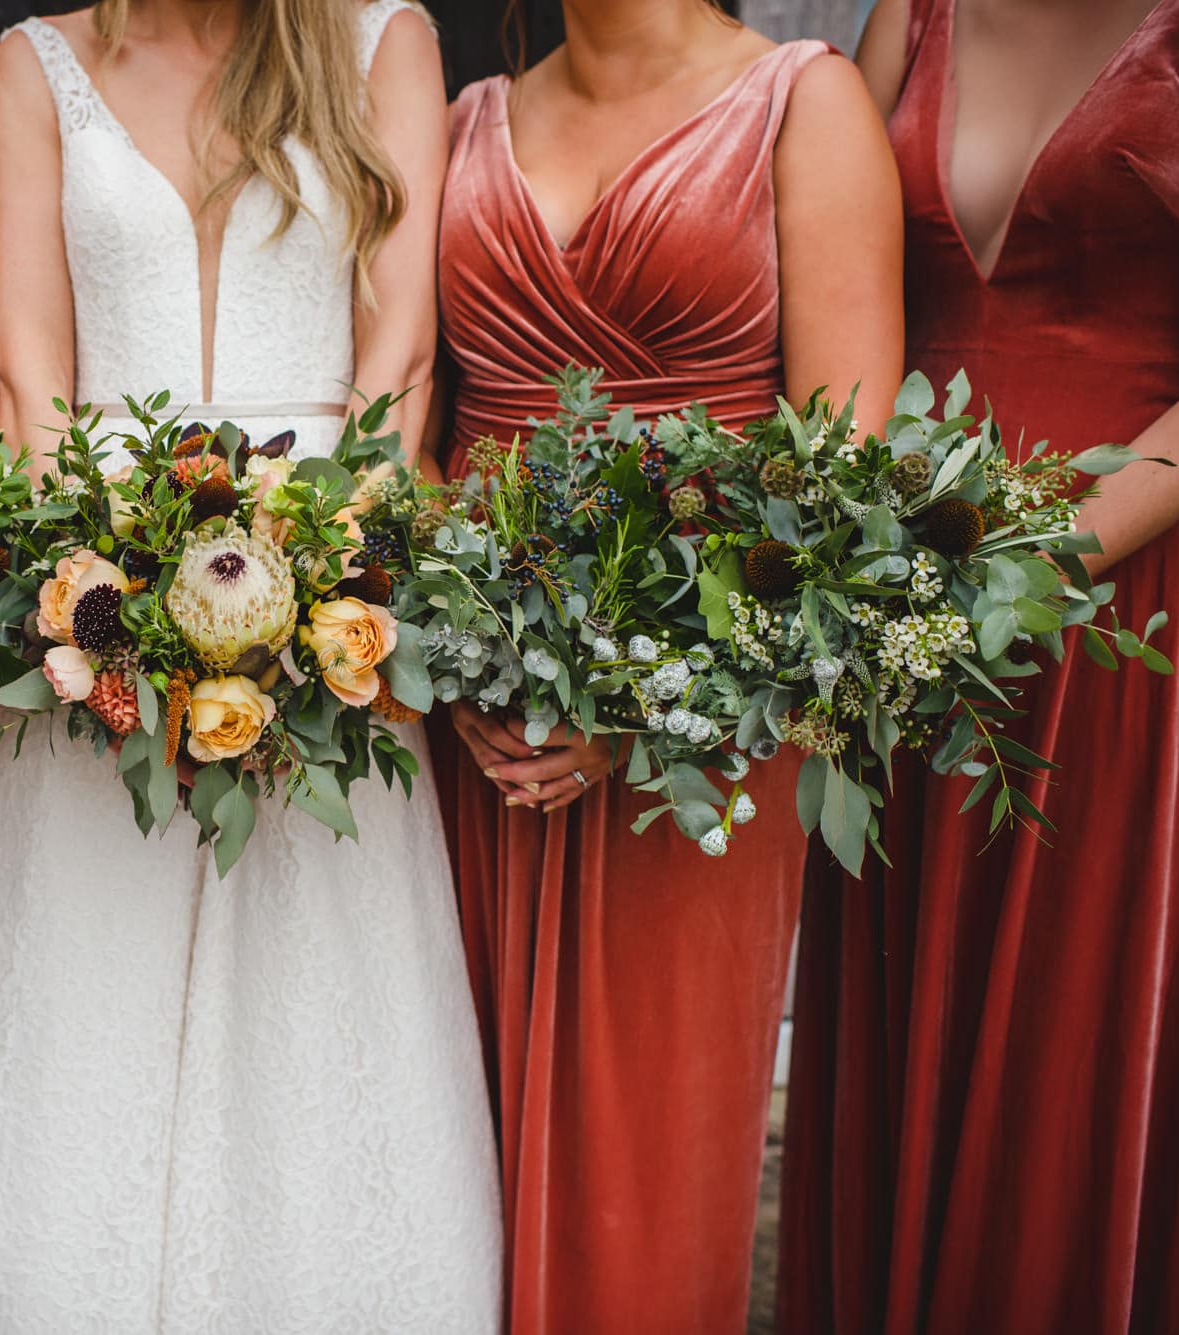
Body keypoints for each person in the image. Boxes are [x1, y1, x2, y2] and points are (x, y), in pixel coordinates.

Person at [0, 2, 503, 1330]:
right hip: (95, 584)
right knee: (78, 1006)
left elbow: (400, 361)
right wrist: (86, 589)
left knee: (316, 1014)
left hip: (329, 570)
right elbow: (28, 363)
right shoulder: (39, 60)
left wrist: (327, 562)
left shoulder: (382, 38)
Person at [434, 0, 903, 1328]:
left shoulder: (803, 106)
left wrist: (640, 706)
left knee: (646, 1167)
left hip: (703, 740)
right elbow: (412, 425)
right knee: (449, 1131)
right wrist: (468, 656)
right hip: (478, 728)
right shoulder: (467, 123)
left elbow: (843, 488)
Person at [780, 1, 1179, 1330]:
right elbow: (837, 330)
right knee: (908, 1013)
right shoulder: (904, 24)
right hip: (905, 609)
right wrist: (867, 582)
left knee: (1071, 1042)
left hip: (1129, 605)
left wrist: (1007, 581)